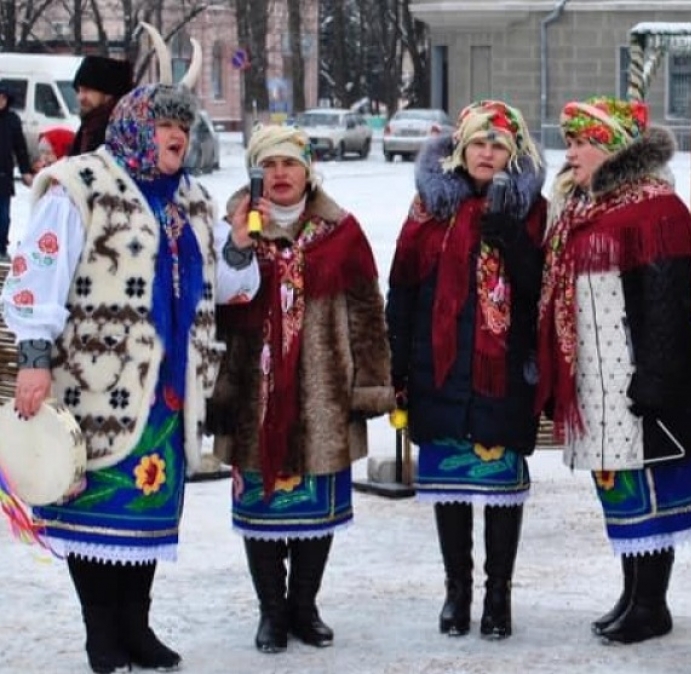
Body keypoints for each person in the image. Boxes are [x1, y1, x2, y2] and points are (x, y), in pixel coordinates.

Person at [0, 79, 261, 673]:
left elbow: (225, 286)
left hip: (166, 391)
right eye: (166, 125)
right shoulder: (81, 185)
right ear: (138, 128)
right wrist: (34, 361)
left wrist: (240, 247)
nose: (178, 136)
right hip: (92, 383)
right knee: (92, 512)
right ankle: (102, 634)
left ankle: (136, 627)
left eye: (185, 127)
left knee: (145, 516)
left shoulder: (192, 199)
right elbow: (37, 275)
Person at [206, 123, 394, 654]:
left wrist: (371, 383)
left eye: (290, 163)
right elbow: (212, 304)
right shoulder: (232, 228)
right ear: (254, 171)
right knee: (262, 511)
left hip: (324, 394)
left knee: (316, 512)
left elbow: (366, 312)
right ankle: (270, 611)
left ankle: (304, 607)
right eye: (269, 164)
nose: (280, 174)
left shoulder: (343, 231)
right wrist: (239, 249)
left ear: (309, 170)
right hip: (251, 393)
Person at [537, 96, 691, 645]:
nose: (572, 152)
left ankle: (651, 604)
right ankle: (633, 593)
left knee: (649, 490)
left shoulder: (655, 209)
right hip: (598, 377)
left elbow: (664, 303)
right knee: (621, 491)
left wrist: (655, 379)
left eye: (582, 141)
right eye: (570, 142)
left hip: (636, 381)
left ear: (612, 146)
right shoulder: (589, 208)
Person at [387, 100, 547, 640]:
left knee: (501, 489)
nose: (487, 152)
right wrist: (396, 364)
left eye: (498, 144)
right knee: (449, 488)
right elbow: (403, 287)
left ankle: (497, 595)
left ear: (514, 153)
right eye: (478, 142)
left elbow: (541, 291)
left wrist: (508, 234)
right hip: (438, 367)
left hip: (503, 371)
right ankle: (457, 592)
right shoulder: (429, 209)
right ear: (460, 148)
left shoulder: (534, 211)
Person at [70, 55, 135, 156]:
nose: (80, 97)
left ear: (108, 94)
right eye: (78, 91)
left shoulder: (118, 130)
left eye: (87, 90)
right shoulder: (90, 125)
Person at [0, 84, 34, 258]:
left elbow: (20, 148)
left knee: (3, 215)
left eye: (3, 98)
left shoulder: (12, 120)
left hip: (3, 175)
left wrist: (25, 171)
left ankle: (1, 248)